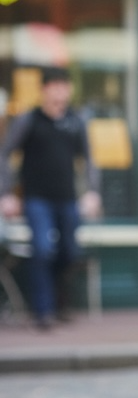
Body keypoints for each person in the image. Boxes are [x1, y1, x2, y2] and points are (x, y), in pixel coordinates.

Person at [0, 66, 101, 330]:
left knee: (69, 251)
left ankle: (60, 301)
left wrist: (91, 192)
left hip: (67, 199)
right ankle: (42, 311)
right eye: (54, 86)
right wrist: (7, 193)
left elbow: (89, 159)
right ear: (44, 90)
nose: (60, 91)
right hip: (36, 199)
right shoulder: (28, 120)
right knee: (42, 250)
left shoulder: (75, 121)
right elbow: (5, 154)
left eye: (64, 86)